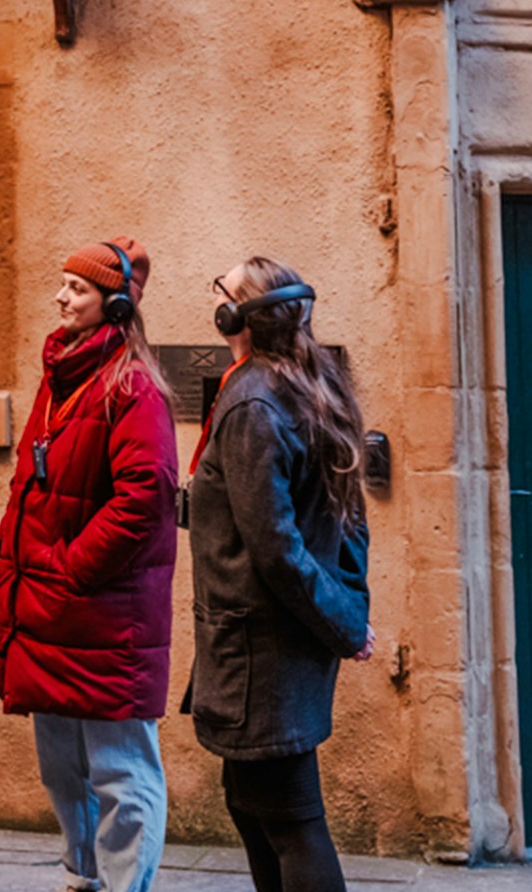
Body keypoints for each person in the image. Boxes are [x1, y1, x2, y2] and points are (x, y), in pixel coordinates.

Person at [182, 256, 375, 892]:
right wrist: (347, 611)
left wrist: (346, 625)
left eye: (225, 290)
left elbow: (276, 547)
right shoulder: (304, 383)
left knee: (292, 820)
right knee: (251, 803)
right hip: (276, 641)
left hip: (261, 648)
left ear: (236, 315)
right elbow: (342, 521)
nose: (217, 297)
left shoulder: (252, 405)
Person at [0, 237, 179, 892]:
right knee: (62, 771)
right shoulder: (61, 378)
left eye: (76, 288)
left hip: (102, 619)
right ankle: (83, 878)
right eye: (63, 283)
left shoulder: (133, 390)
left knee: (123, 775)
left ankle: (124, 886)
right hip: (51, 613)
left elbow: (141, 502)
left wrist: (70, 569)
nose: (61, 297)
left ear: (115, 304)